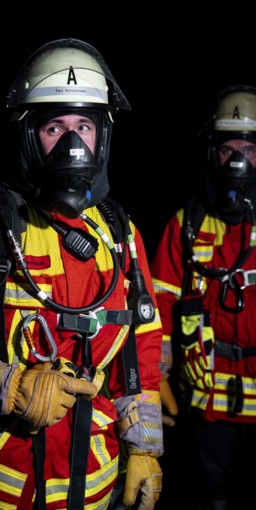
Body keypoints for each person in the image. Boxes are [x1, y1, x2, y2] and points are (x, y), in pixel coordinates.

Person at [0, 38, 164, 510]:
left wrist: (143, 448)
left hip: (93, 488)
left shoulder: (121, 236)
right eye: (54, 127)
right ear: (26, 135)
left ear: (104, 135)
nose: (73, 144)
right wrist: (10, 388)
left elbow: (139, 354)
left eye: (85, 125)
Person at [151, 85, 256, 510]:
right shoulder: (186, 226)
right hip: (205, 411)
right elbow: (155, 310)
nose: (236, 160)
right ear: (210, 152)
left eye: (248, 149)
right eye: (227, 148)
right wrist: (153, 378)